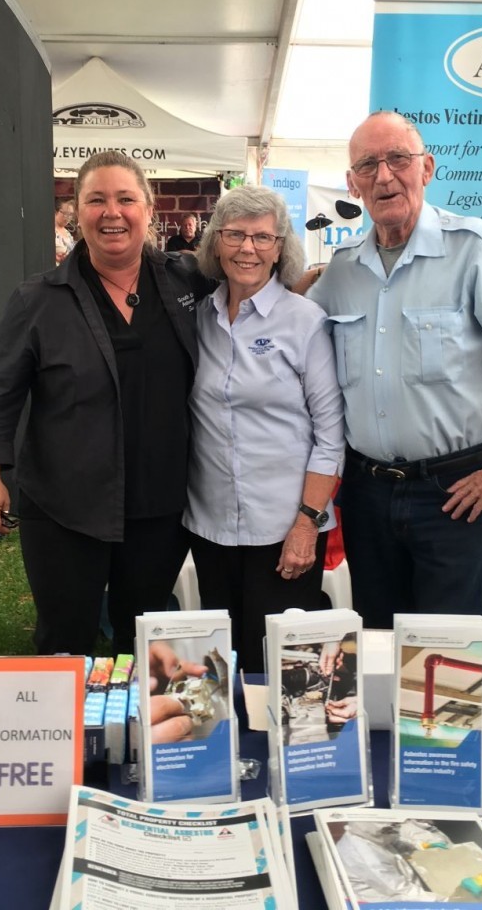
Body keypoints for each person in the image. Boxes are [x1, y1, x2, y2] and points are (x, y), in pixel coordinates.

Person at [307, 111, 482, 628]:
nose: (384, 176)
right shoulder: (339, 272)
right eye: (367, 166)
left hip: (455, 495)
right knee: (378, 641)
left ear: (426, 168)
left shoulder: (477, 249)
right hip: (367, 492)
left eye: (398, 160)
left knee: (448, 656)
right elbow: (294, 324)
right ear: (353, 185)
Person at [0, 150, 211, 656]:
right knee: (65, 641)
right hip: (64, 506)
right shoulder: (38, 299)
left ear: (148, 207)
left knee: (144, 643)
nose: (112, 212)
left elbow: (251, 292)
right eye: (96, 200)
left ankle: (136, 731)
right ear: (76, 212)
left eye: (125, 199)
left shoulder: (185, 280)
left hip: (160, 503)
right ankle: (70, 735)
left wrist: (311, 285)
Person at [184, 186, 344, 671]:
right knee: (219, 664)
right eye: (234, 235)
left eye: (261, 237)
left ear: (280, 248)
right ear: (215, 244)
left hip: (284, 531)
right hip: (209, 527)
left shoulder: (305, 322)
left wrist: (305, 525)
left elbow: (331, 436)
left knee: (283, 670)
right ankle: (228, 746)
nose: (247, 248)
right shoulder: (198, 317)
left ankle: (276, 750)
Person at [53, 198, 75, 265]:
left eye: (70, 214)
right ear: (56, 212)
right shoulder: (50, 231)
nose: (68, 217)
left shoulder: (67, 233)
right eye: (65, 213)